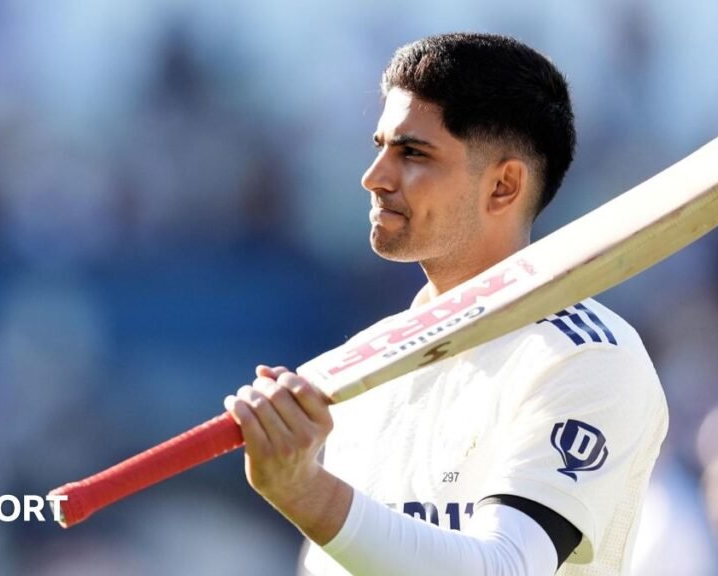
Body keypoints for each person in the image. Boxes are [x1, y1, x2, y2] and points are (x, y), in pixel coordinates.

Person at [224, 33, 668, 575]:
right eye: (379, 146)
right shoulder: (356, 370)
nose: (374, 177)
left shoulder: (587, 359)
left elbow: (503, 568)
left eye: (412, 152)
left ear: (503, 186)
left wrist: (306, 493)